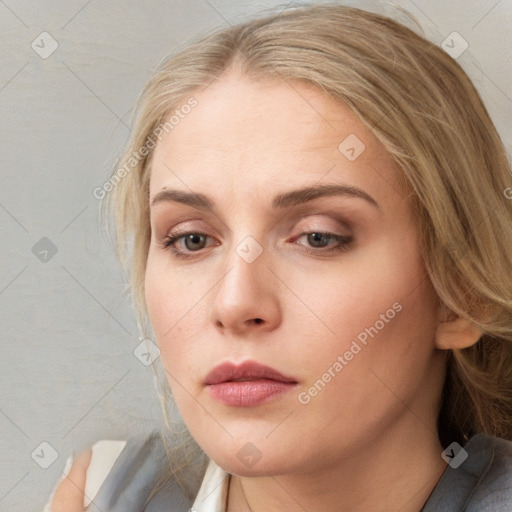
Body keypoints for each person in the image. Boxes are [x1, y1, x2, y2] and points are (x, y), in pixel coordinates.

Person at [45, 2, 512, 511]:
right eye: (192, 240)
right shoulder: (99, 494)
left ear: (462, 293)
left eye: (317, 237)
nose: (235, 303)